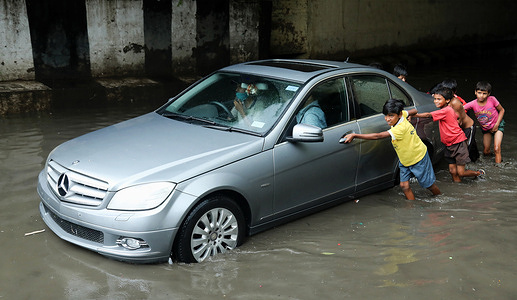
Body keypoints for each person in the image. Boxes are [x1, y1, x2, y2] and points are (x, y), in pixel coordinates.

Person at [342, 99, 440, 200]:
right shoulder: (403, 115)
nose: (387, 119)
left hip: (418, 158)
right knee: (404, 186)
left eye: (391, 116)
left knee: (429, 185)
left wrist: (355, 135)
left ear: (399, 114)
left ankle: (438, 198)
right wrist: (410, 115)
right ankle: (411, 206)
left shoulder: (400, 128)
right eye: (386, 115)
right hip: (405, 160)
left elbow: (378, 136)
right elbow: (414, 111)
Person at [413, 87, 484, 182]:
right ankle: (458, 187)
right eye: (435, 99)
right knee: (452, 171)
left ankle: (479, 173)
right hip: (448, 144)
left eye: (439, 99)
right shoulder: (448, 109)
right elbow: (457, 117)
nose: (436, 101)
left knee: (461, 173)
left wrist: (414, 115)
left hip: (458, 143)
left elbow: (428, 115)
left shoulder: (446, 110)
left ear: (447, 100)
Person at [464, 81, 505, 164]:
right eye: (479, 93)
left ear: (488, 94)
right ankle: (490, 162)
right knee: (486, 151)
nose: (481, 96)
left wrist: (497, 124)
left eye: (484, 93)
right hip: (486, 129)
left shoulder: (492, 100)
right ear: (475, 92)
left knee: (497, 148)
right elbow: (460, 109)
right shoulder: (473, 104)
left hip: (497, 125)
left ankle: (497, 169)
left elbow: (502, 110)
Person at [439, 79, 479, 162]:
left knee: (463, 150)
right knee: (468, 146)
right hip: (460, 126)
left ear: (454, 92)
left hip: (467, 127)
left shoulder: (456, 102)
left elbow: (460, 121)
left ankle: (471, 168)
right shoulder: (443, 100)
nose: (447, 94)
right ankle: (475, 159)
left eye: (450, 92)